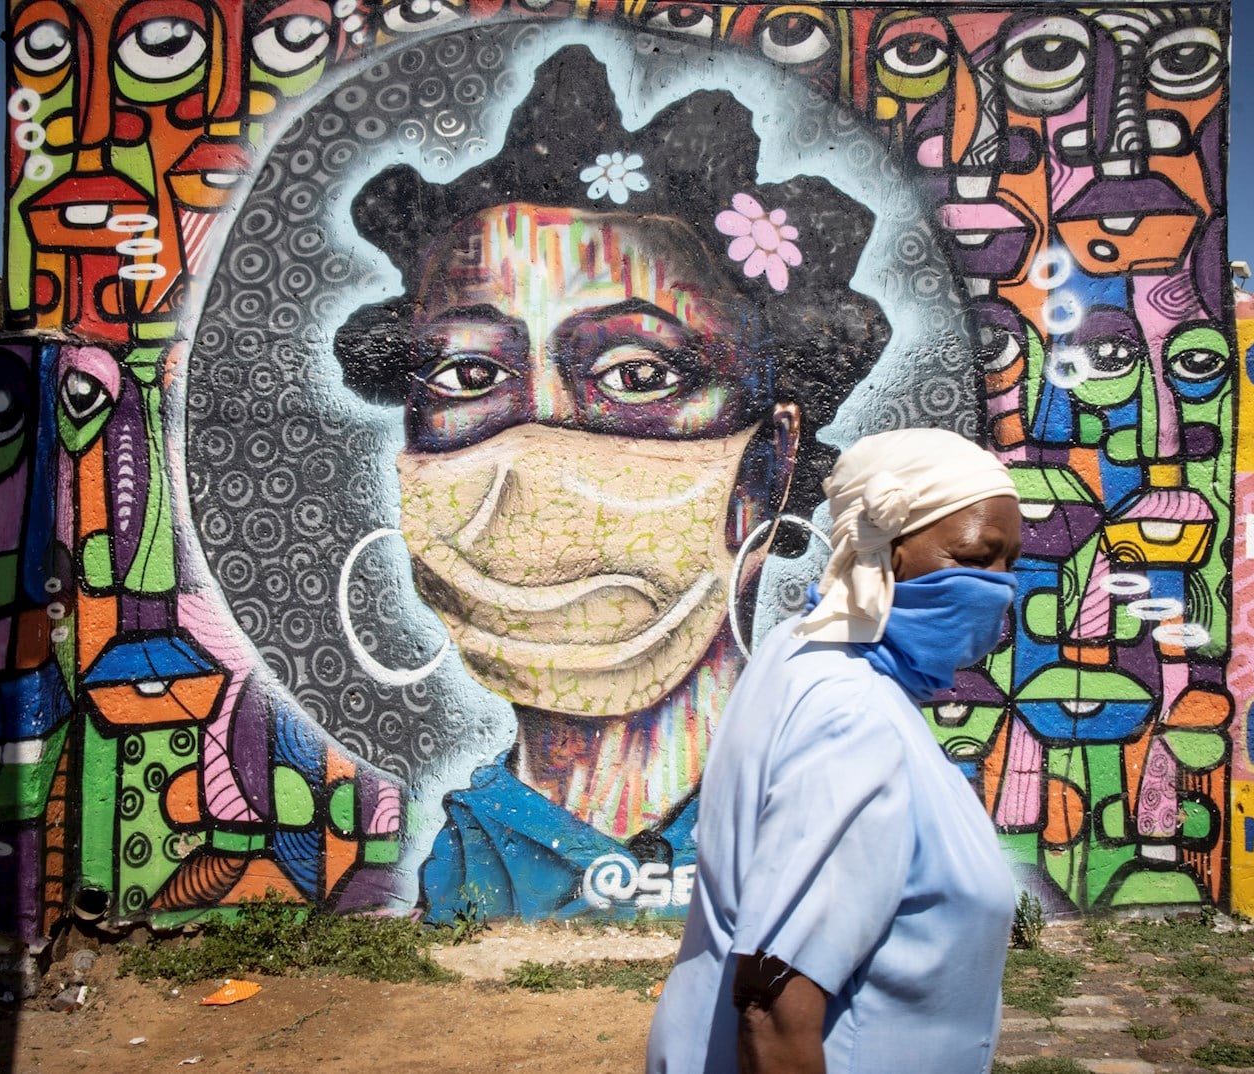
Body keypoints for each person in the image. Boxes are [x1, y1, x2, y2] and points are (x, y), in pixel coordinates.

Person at [328, 45, 892, 921]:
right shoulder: (461, 861)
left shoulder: (811, 807)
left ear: (772, 465)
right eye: (468, 378)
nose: (538, 455)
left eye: (638, 374)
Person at [647, 427, 1022, 1074]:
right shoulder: (853, 718)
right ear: (887, 551)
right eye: (975, 558)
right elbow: (774, 1010)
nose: (999, 589)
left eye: (1010, 564)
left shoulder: (797, 650)